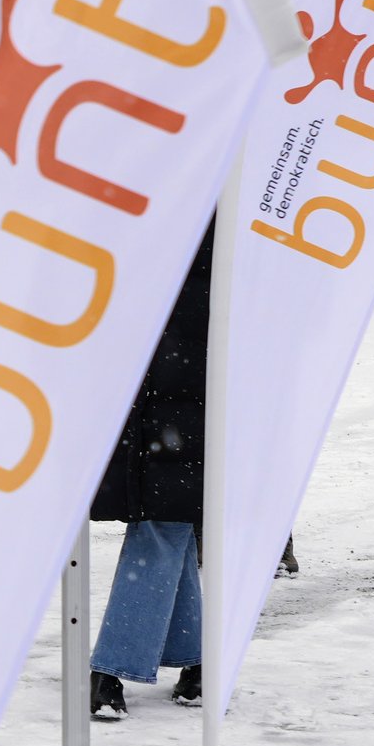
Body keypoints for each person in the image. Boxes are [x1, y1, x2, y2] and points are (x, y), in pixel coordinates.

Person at [89, 226, 212, 720]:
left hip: (182, 401)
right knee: (166, 525)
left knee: (166, 525)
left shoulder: (205, 227)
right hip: (157, 401)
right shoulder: (179, 223)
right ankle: (176, 662)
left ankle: (142, 664)